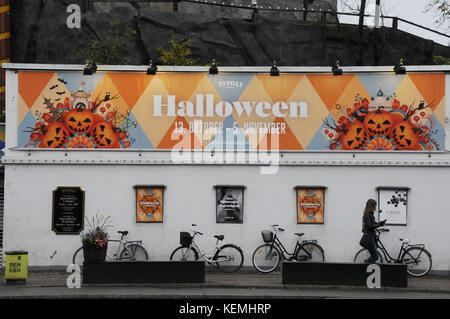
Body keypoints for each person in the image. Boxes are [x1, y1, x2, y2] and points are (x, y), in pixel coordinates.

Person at [359, 199, 386, 263]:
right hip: (369, 237)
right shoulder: (367, 215)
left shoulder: (370, 214)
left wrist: (381, 223)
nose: (375, 207)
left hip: (371, 236)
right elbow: (370, 226)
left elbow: (373, 223)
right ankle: (367, 266)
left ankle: (367, 263)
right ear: (372, 206)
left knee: (374, 256)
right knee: (375, 256)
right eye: (375, 205)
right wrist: (380, 224)